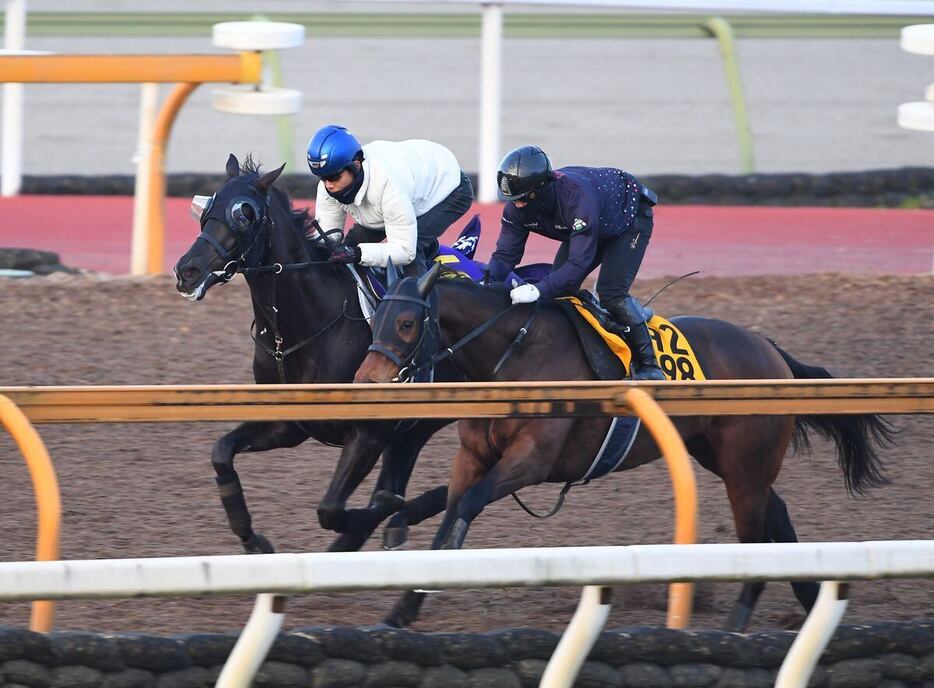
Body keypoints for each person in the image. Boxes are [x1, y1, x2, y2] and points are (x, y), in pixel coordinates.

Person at [486, 145, 666, 381]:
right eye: (512, 200)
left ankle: (649, 364)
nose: (517, 206)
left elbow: (577, 264)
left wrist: (538, 288)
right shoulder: (516, 207)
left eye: (522, 200)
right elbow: (504, 257)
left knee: (611, 292)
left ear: (542, 189)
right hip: (592, 221)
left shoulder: (576, 199)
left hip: (628, 220)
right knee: (559, 292)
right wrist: (486, 285)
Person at [307, 125, 474, 276]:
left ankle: (424, 308)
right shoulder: (327, 185)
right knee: (350, 246)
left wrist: (357, 254)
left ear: (356, 166)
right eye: (322, 178)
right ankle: (432, 251)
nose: (328, 185)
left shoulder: (387, 183)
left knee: (413, 251)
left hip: (451, 189)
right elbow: (328, 238)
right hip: (406, 190)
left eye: (334, 176)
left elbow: (405, 251)